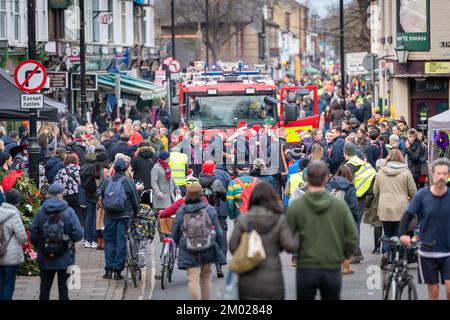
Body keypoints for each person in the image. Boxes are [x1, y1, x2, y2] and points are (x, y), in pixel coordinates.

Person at [287, 160, 359, 300]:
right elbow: (352, 235)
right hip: (331, 265)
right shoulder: (338, 205)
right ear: (327, 178)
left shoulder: (297, 205)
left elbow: (287, 236)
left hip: (306, 266)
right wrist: (343, 254)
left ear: (307, 178)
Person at [229, 182, 298, 300]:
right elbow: (290, 246)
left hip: (248, 274)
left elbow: (233, 246)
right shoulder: (278, 219)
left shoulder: (244, 219)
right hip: (272, 277)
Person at [399, 158, 450, 300]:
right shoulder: (422, 195)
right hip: (428, 250)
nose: (441, 177)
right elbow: (407, 215)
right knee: (433, 290)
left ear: (448, 175)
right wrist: (403, 234)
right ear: (432, 175)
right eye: (438, 173)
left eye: (444, 173)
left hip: (448, 250)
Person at [170, 181, 226, 300]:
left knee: (193, 278)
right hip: (207, 246)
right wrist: (220, 250)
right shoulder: (209, 209)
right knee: (205, 277)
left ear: (188, 194)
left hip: (188, 248)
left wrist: (173, 247)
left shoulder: (182, 211)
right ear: (201, 194)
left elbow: (174, 233)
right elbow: (220, 233)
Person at [30, 183, 83, 300]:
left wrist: (41, 245)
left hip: (45, 256)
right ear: (62, 194)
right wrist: (68, 242)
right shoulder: (68, 211)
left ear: (49, 194)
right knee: (63, 288)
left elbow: (33, 233)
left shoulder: (41, 211)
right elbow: (78, 233)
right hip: (65, 255)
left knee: (45, 287)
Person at [100, 159, 139, 280]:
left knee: (109, 241)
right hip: (123, 215)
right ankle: (117, 271)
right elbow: (135, 200)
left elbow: (102, 194)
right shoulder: (128, 181)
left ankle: (108, 270)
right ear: (125, 168)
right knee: (121, 241)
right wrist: (136, 213)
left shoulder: (108, 181)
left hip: (109, 215)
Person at [374, 149, 416, 260]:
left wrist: (381, 198)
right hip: (401, 207)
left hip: (385, 206)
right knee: (399, 233)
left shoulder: (381, 172)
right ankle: (397, 257)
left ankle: (386, 254)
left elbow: (375, 191)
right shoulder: (406, 172)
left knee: (387, 232)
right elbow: (413, 191)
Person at [343, 142, 377, 263]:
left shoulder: (350, 165)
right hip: (362, 196)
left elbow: (346, 183)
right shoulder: (361, 162)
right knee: (355, 225)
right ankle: (355, 252)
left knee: (352, 226)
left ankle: (355, 252)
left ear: (345, 153)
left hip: (354, 198)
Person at [326, 166, 359, 275]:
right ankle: (345, 267)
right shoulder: (350, 187)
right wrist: (356, 220)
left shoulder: (330, 184)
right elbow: (354, 206)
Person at [198, 160, 227, 278]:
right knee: (220, 237)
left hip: (200, 214)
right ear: (212, 169)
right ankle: (219, 265)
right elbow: (224, 197)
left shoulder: (198, 181)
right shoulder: (217, 182)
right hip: (214, 213)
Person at [0, 189, 27, 300]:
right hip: (9, 255)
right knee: (8, 284)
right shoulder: (14, 215)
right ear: (17, 201)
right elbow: (22, 237)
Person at [151, 151, 181, 241]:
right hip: (161, 197)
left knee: (168, 215)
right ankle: (162, 235)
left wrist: (177, 188)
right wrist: (159, 193)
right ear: (165, 158)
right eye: (168, 157)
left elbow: (171, 178)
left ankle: (167, 233)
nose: (170, 159)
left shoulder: (167, 166)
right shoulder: (156, 168)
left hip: (169, 195)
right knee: (161, 216)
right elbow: (153, 182)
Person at [54, 154, 83, 230]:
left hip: (65, 197)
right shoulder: (80, 170)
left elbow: (56, 184)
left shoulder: (61, 171)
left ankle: (66, 229)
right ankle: (77, 230)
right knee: (78, 215)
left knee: (65, 215)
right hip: (77, 196)